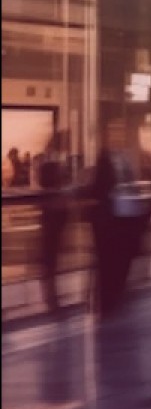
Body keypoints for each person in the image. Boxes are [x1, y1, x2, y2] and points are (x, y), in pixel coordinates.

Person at [90, 120, 148, 316]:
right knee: (109, 261)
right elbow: (99, 188)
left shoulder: (125, 158)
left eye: (121, 133)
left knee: (124, 258)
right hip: (110, 218)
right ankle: (107, 301)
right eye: (114, 133)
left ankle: (117, 294)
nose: (118, 137)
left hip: (127, 217)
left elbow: (131, 184)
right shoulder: (103, 159)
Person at [37, 131, 72, 315]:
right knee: (50, 258)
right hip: (53, 216)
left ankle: (52, 298)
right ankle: (52, 300)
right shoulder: (52, 162)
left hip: (53, 215)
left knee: (51, 258)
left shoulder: (50, 160)